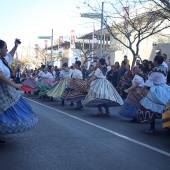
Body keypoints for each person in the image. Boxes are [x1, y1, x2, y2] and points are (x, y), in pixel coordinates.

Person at [0, 39, 38, 143]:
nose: (7, 50)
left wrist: (16, 46)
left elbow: (10, 55)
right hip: (2, 90)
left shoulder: (2, 59)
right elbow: (1, 76)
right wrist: (14, 84)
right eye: (5, 48)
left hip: (5, 90)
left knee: (5, 111)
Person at [137, 55, 170, 133]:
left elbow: (148, 83)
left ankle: (152, 128)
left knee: (150, 108)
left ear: (155, 61)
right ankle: (167, 124)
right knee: (166, 107)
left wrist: (140, 91)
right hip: (165, 89)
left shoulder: (155, 70)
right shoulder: (165, 68)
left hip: (157, 90)